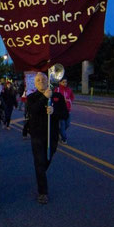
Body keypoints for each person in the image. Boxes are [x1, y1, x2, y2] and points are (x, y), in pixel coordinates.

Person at [27, 72, 67, 205]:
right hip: (37, 135)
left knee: (46, 160)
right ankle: (43, 192)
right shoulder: (32, 97)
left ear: (48, 80)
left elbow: (65, 114)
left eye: (43, 79)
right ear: (35, 83)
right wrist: (44, 98)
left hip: (52, 135)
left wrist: (54, 112)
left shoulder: (57, 96)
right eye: (38, 80)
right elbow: (32, 110)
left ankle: (40, 174)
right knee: (39, 162)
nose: (41, 81)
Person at [54, 77, 75, 145]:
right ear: (60, 82)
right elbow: (54, 99)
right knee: (62, 125)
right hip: (60, 110)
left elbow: (72, 97)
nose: (65, 83)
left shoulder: (69, 90)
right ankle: (64, 138)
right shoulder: (57, 90)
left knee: (67, 124)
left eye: (66, 82)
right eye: (63, 82)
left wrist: (69, 101)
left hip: (68, 110)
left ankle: (60, 132)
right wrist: (62, 101)